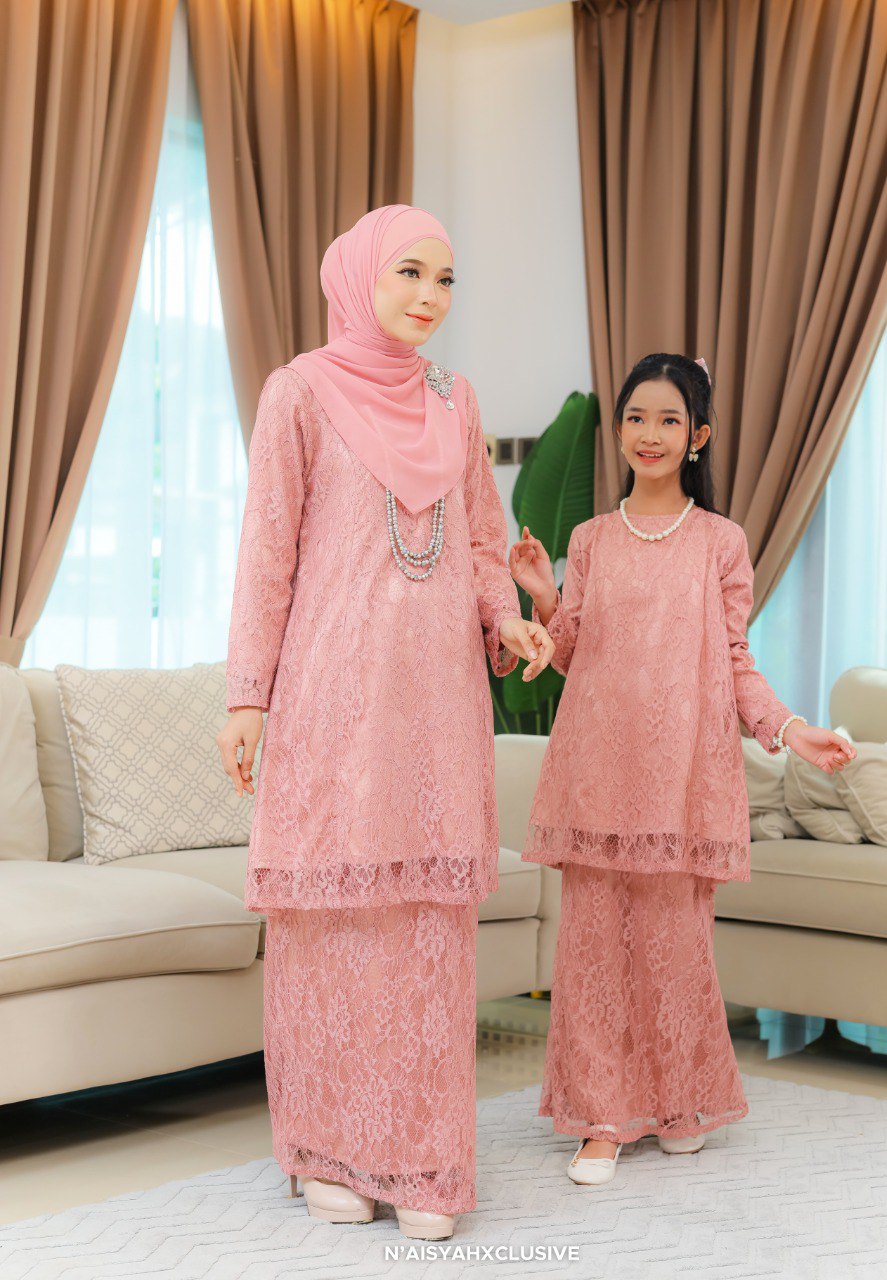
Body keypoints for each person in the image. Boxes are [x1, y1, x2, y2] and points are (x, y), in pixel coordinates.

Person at [217, 204, 554, 1238]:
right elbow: (266, 553)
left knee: (425, 936)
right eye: (409, 271)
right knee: (334, 932)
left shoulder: (455, 399)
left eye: (445, 279)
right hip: (330, 702)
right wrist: (246, 696)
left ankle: (420, 1158)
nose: (429, 296)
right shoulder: (299, 393)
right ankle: (330, 1147)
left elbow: (483, 540)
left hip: (437, 703)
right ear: (358, 275)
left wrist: (506, 616)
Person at [509, 352, 855, 1185]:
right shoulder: (590, 539)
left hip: (681, 776)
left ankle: (677, 1101)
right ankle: (601, 1121)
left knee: (675, 951)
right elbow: (571, 652)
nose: (650, 434)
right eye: (636, 418)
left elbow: (735, 661)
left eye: (669, 420)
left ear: (697, 435)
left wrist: (790, 728)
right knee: (593, 951)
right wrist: (544, 598)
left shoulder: (720, 543)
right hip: (597, 768)